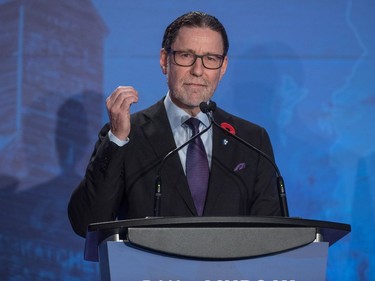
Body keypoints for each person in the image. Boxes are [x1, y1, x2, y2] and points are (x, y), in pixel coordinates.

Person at [68, 11, 281, 238]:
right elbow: (87, 222)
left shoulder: (251, 140)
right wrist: (117, 140)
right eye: (186, 55)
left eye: (210, 58)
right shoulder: (128, 134)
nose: (198, 70)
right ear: (164, 60)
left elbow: (271, 234)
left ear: (223, 66)